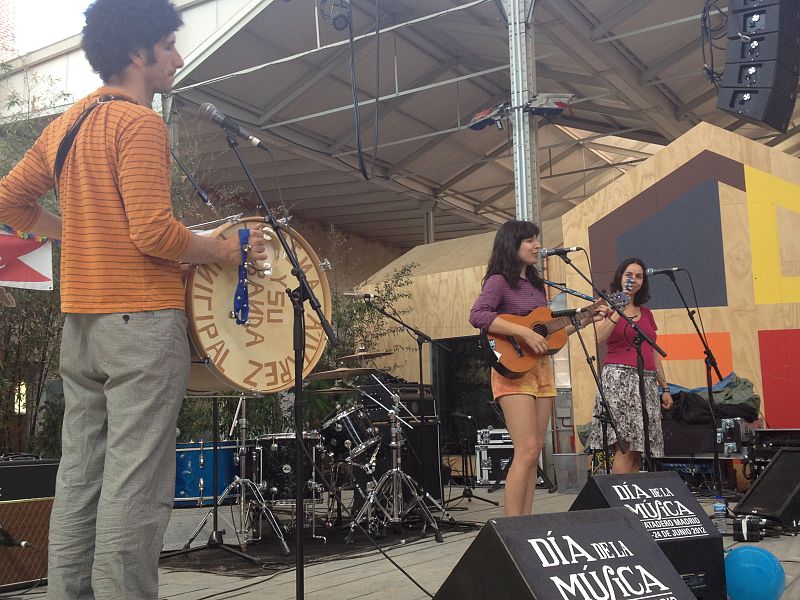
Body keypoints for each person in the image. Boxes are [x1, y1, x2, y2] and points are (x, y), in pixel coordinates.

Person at [0, 1, 270, 597]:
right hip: (142, 323)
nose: (177, 56)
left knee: (80, 481)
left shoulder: (66, 123)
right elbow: (154, 233)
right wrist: (219, 250)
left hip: (82, 328)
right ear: (136, 52)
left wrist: (75, 230)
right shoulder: (140, 123)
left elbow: (7, 201)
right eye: (169, 44)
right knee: (137, 487)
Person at [469, 220, 607, 516]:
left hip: (541, 371)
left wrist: (585, 318)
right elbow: (479, 315)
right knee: (527, 449)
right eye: (529, 240)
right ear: (511, 245)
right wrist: (523, 333)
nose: (536, 246)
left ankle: (526, 521)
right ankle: (511, 526)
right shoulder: (498, 282)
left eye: (536, 239)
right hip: (512, 371)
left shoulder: (536, 285)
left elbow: (550, 334)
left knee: (535, 455)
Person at [588, 258, 674, 474]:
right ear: (620, 277)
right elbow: (600, 336)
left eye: (638, 276)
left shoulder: (647, 314)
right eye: (629, 274)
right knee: (624, 446)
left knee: (638, 449)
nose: (633, 279)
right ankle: (620, 500)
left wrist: (664, 387)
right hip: (619, 380)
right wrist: (619, 308)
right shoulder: (605, 305)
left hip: (645, 382)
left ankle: (631, 500)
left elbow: (653, 352)